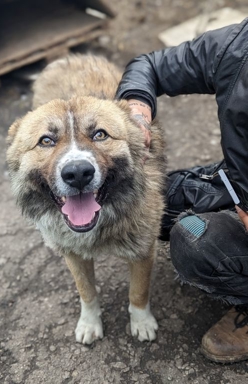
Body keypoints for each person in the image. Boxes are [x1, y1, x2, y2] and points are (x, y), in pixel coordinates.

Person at [116, 18, 248, 364]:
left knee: (198, 247)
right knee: (159, 200)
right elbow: (150, 66)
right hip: (241, 185)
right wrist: (137, 113)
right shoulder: (237, 46)